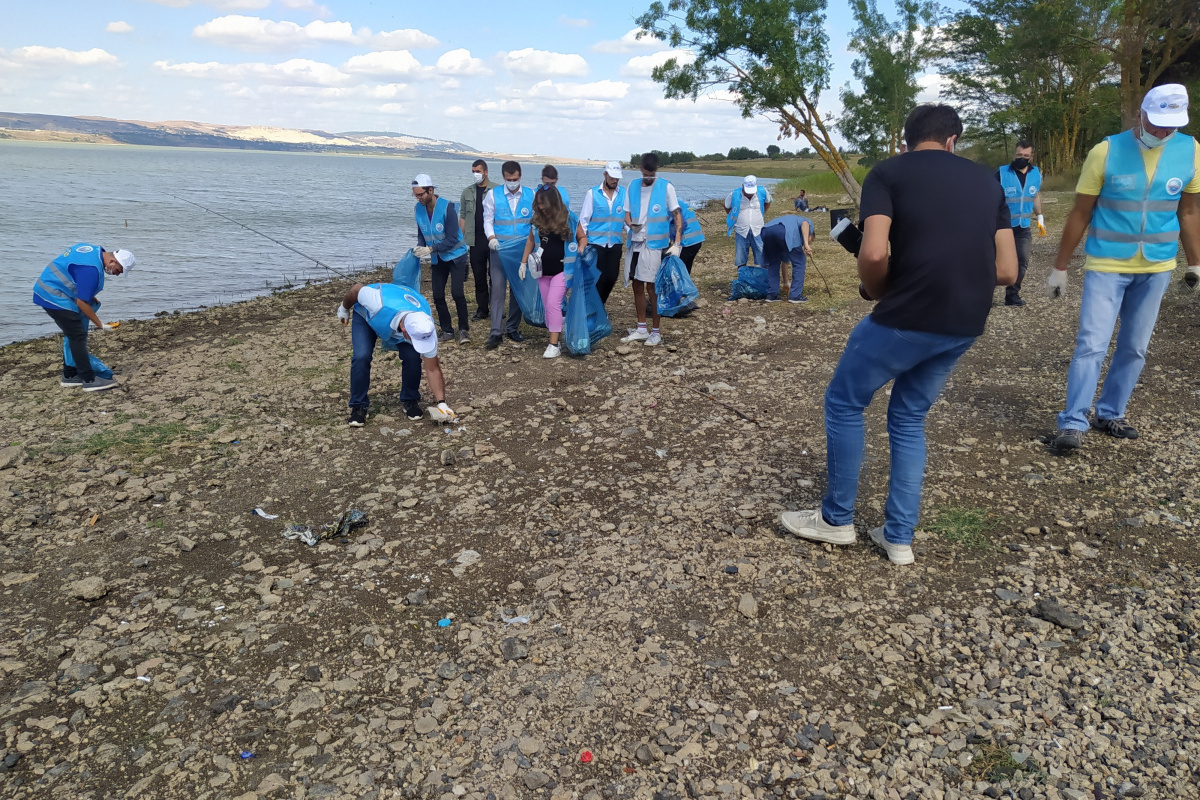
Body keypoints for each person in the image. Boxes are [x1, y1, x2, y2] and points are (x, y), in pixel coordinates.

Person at [780, 104, 1017, 566]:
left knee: (845, 401)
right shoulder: (989, 183)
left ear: (905, 141)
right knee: (908, 418)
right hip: (965, 322)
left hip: (908, 314)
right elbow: (1007, 270)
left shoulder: (888, 174)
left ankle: (836, 519)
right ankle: (898, 537)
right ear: (952, 141)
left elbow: (871, 254)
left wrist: (880, 291)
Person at [1048, 84, 1200, 452]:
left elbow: (1190, 211)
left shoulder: (1191, 150)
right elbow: (1080, 212)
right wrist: (1061, 267)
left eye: (1172, 125)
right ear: (1140, 115)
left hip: (1157, 266)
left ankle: (1110, 413)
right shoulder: (1106, 151)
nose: (1164, 132)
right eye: (1158, 123)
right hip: (1107, 264)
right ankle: (1073, 421)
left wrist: (1195, 262)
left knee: (1135, 347)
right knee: (1091, 344)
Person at [337, 281, 455, 427]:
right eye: (415, 340)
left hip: (402, 305)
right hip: (367, 315)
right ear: (404, 330)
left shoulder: (425, 327)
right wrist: (344, 308)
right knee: (362, 356)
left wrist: (442, 403)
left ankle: (410, 399)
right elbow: (356, 289)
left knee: (412, 357)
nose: (419, 343)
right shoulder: (376, 302)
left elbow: (432, 368)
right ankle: (358, 405)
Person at [32, 243, 135, 392]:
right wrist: (100, 324)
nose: (117, 274)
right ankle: (89, 379)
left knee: (72, 334)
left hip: (46, 288)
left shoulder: (93, 251)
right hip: (53, 295)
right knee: (77, 335)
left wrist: (88, 294)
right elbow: (82, 303)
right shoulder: (92, 271)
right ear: (113, 261)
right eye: (119, 270)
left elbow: (74, 272)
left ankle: (70, 375)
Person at [622, 152, 684, 346]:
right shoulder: (632, 186)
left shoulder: (666, 187)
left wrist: (677, 243)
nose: (648, 177)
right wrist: (630, 226)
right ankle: (641, 328)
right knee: (636, 284)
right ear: (640, 169)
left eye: (651, 174)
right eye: (645, 173)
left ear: (656, 171)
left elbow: (676, 214)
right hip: (636, 242)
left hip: (656, 245)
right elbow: (626, 214)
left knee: (653, 287)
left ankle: (655, 330)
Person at [412, 174, 470, 344]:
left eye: (421, 194)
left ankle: (464, 330)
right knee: (437, 295)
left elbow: (452, 238)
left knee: (457, 293)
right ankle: (447, 330)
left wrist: (429, 249)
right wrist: (419, 247)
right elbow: (422, 232)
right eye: (416, 195)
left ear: (431, 190)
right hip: (438, 258)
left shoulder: (447, 208)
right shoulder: (418, 209)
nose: (419, 198)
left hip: (456, 256)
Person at [521, 186, 576, 358]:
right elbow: (531, 240)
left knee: (553, 304)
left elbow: (582, 237)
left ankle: (554, 344)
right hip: (541, 272)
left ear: (552, 203)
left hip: (562, 271)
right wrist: (523, 262)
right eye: (538, 204)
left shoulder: (569, 219)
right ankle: (559, 326)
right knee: (548, 308)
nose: (541, 208)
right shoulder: (537, 219)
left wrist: (581, 248)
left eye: (543, 204)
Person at [482, 160, 532, 349]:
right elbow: (487, 220)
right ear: (503, 177)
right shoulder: (493, 195)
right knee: (497, 290)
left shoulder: (531, 195)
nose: (513, 182)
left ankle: (512, 328)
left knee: (518, 290)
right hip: (499, 251)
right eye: (509, 179)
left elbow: (534, 222)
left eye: (516, 179)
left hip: (521, 252)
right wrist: (491, 238)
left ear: (520, 176)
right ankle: (496, 332)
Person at [995, 140, 1044, 306]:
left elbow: (1035, 195)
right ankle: (985, 293)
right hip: (1002, 226)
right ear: (1014, 154)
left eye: (1025, 155)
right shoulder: (1001, 173)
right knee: (994, 260)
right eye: (1019, 155)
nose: (1022, 158)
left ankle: (1012, 294)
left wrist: (1040, 217)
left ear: (1031, 156)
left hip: (1023, 227)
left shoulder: (1036, 174)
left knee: (1022, 260)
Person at [577, 161, 627, 303]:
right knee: (597, 279)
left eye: (617, 178)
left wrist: (634, 234)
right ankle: (594, 309)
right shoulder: (592, 194)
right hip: (595, 244)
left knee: (611, 277)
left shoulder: (623, 194)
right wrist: (582, 243)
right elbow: (583, 221)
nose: (615, 180)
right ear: (605, 174)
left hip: (614, 244)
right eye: (612, 177)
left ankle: (599, 305)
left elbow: (627, 219)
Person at [459, 159, 497, 321]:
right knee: (479, 277)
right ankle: (482, 309)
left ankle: (496, 308)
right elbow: (462, 216)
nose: (476, 174)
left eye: (478, 171)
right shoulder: (467, 192)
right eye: (473, 171)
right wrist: (461, 240)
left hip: (493, 240)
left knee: (495, 277)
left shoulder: (496, 190)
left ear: (486, 171)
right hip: (475, 241)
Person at [760, 214, 813, 303]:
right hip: (784, 231)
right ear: (810, 234)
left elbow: (785, 261)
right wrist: (806, 244)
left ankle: (772, 295)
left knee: (773, 262)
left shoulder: (791, 220)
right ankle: (795, 296)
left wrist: (786, 282)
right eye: (812, 239)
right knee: (799, 262)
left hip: (766, 231)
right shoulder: (806, 222)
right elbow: (805, 223)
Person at [724, 175, 771, 268]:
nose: (749, 194)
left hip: (758, 230)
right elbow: (727, 206)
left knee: (764, 257)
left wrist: (762, 213)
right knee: (740, 259)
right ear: (743, 186)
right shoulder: (734, 194)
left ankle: (766, 278)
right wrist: (736, 218)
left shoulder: (762, 191)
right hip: (741, 231)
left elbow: (768, 202)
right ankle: (742, 278)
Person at [669, 200, 706, 274]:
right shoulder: (679, 201)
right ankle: (686, 284)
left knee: (677, 270)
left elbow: (682, 223)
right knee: (685, 270)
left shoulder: (671, 204)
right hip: (697, 239)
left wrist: (672, 239)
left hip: (687, 241)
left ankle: (680, 285)